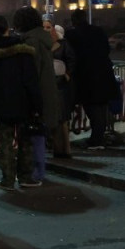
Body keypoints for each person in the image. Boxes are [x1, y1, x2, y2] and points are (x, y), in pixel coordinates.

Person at [0, 15, 41, 191]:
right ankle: (25, 177)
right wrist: (37, 104)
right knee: (25, 141)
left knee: (6, 141)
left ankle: (7, 179)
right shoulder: (23, 51)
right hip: (23, 102)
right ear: (8, 28)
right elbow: (31, 81)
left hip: (0, 103)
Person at [12, 7, 57, 182]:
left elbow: (31, 73)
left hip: (36, 94)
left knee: (34, 133)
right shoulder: (42, 39)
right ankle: (38, 170)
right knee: (38, 133)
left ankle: (35, 172)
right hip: (45, 93)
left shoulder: (31, 42)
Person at [65, 9, 118, 150]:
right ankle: (98, 138)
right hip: (103, 74)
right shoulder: (98, 31)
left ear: (73, 20)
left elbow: (70, 55)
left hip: (86, 77)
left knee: (92, 108)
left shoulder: (71, 35)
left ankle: (96, 140)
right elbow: (107, 49)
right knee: (101, 107)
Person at [43, 19, 76, 157]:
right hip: (48, 84)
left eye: (48, 27)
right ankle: (55, 147)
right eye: (43, 27)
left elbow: (72, 60)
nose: (46, 30)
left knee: (61, 118)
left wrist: (67, 75)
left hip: (61, 84)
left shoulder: (63, 44)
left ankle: (64, 150)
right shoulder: (42, 45)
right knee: (52, 118)